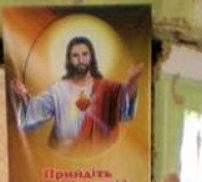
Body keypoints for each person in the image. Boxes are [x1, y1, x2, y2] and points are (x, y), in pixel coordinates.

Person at [9, 36, 143, 151]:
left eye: (85, 54)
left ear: (91, 57)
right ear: (69, 60)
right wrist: (24, 95)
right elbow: (36, 108)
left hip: (99, 161)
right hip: (64, 161)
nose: (80, 59)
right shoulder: (59, 90)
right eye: (75, 55)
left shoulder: (107, 88)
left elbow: (124, 97)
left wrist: (133, 81)